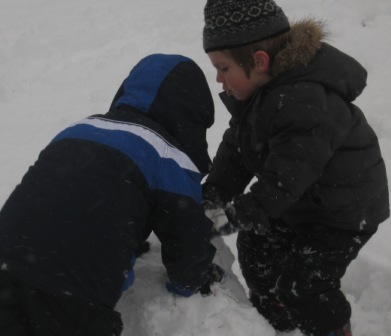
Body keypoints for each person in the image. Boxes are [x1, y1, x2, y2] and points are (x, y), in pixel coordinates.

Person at [0, 54, 224, 336]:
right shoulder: (168, 156)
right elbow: (187, 240)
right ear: (192, 117)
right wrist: (194, 278)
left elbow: (71, 196)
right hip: (72, 296)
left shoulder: (78, 129)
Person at [201, 1, 390, 335]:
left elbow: (285, 178)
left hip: (342, 214)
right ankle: (276, 324)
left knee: (303, 286)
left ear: (259, 62)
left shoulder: (305, 101)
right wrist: (214, 193)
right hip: (300, 202)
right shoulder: (260, 97)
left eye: (224, 68)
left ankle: (330, 328)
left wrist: (238, 214)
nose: (218, 78)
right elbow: (239, 149)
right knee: (256, 248)